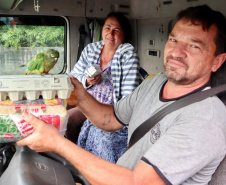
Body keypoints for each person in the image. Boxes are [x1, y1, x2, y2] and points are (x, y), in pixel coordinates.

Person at [17, 5, 226, 184]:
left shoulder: (206, 119)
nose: (177, 52)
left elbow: (135, 182)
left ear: (217, 61)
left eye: (194, 46)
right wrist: (80, 97)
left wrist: (57, 143)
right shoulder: (155, 82)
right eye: (173, 40)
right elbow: (112, 118)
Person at [66, 12, 141, 163]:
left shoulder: (128, 55)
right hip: (88, 99)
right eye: (107, 28)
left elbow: (129, 94)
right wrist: (86, 81)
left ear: (124, 34)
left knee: (70, 119)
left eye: (116, 30)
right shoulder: (91, 49)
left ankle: (76, 158)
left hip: (109, 107)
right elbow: (74, 75)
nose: (110, 34)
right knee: (61, 109)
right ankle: (73, 159)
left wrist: (119, 118)